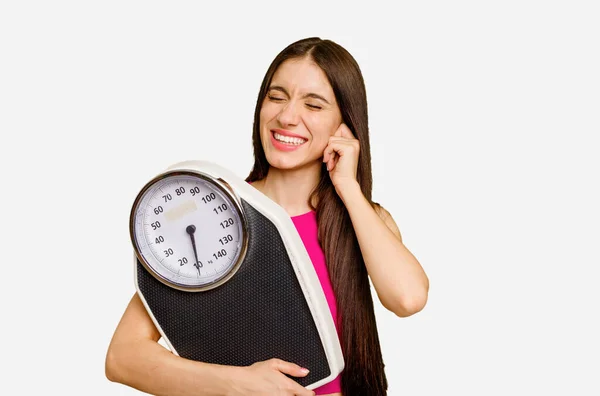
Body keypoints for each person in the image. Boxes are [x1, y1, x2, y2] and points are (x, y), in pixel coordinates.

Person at [106, 37, 429, 396]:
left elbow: (408, 298)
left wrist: (349, 190)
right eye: (276, 97)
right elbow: (123, 357)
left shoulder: (365, 220)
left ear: (345, 125)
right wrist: (236, 383)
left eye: (314, 105)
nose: (287, 117)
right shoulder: (217, 214)